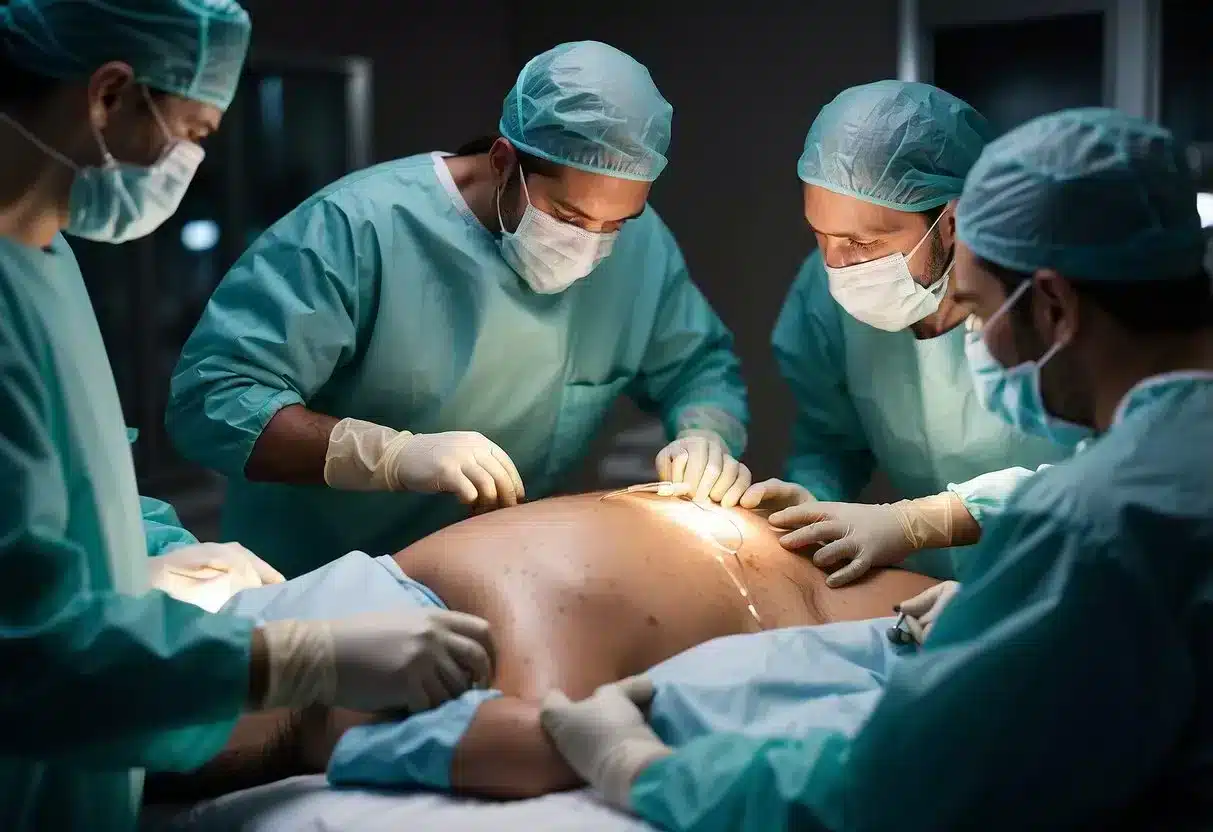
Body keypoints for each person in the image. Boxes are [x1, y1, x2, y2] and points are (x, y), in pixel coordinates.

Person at [537, 108, 1213, 831]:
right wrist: (1030, 612)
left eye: (979, 311)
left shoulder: (1090, 526)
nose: (981, 342)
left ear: (1052, 304)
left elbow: (887, 795)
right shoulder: (1132, 502)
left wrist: (639, 768)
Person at [0, 3, 494, 829]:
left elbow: (85, 473)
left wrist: (158, 550)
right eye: (191, 129)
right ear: (109, 94)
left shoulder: (43, 258)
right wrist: (294, 659)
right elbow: (25, 661)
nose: (188, 159)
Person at [165, 41, 751, 578]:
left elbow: (699, 366)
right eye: (570, 217)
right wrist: (391, 456)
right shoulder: (358, 229)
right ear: (503, 161)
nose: (591, 244)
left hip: (502, 577)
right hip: (320, 583)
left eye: (616, 223)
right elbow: (213, 399)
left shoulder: (640, 249)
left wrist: (706, 435)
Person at [138, 486, 938, 805]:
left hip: (811, 547)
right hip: (843, 620)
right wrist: (614, 752)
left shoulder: (275, 621)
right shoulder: (348, 715)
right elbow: (551, 739)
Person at [746, 81, 1071, 585]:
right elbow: (832, 437)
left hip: (1071, 572)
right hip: (932, 585)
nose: (838, 265)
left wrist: (923, 522)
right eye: (821, 236)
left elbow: (1119, 467)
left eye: (863, 242)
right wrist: (812, 502)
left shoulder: (1048, 302)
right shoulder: (822, 293)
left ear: (952, 221)